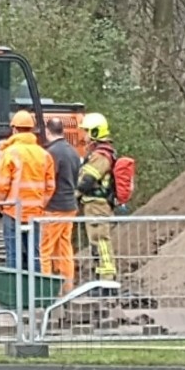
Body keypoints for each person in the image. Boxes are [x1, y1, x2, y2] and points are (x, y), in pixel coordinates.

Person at [0, 110, 55, 272]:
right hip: (35, 212)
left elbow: (1, 185)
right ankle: (35, 291)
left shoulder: (9, 153)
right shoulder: (44, 155)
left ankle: (14, 292)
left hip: (13, 211)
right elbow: (50, 186)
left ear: (14, 129)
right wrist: (41, 203)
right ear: (31, 130)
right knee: (35, 254)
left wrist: (0, 205)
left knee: (13, 253)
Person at [75, 112, 122, 286]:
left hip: (98, 206)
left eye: (86, 131)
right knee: (96, 243)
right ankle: (100, 279)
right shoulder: (100, 153)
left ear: (95, 132)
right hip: (94, 206)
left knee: (101, 242)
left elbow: (88, 180)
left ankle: (107, 281)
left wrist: (75, 194)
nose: (84, 135)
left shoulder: (101, 156)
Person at [40, 117, 80, 292]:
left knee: (45, 250)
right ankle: (67, 287)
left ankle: (45, 289)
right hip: (70, 206)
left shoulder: (52, 153)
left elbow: (49, 181)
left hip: (54, 207)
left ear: (48, 132)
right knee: (65, 248)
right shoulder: (73, 152)